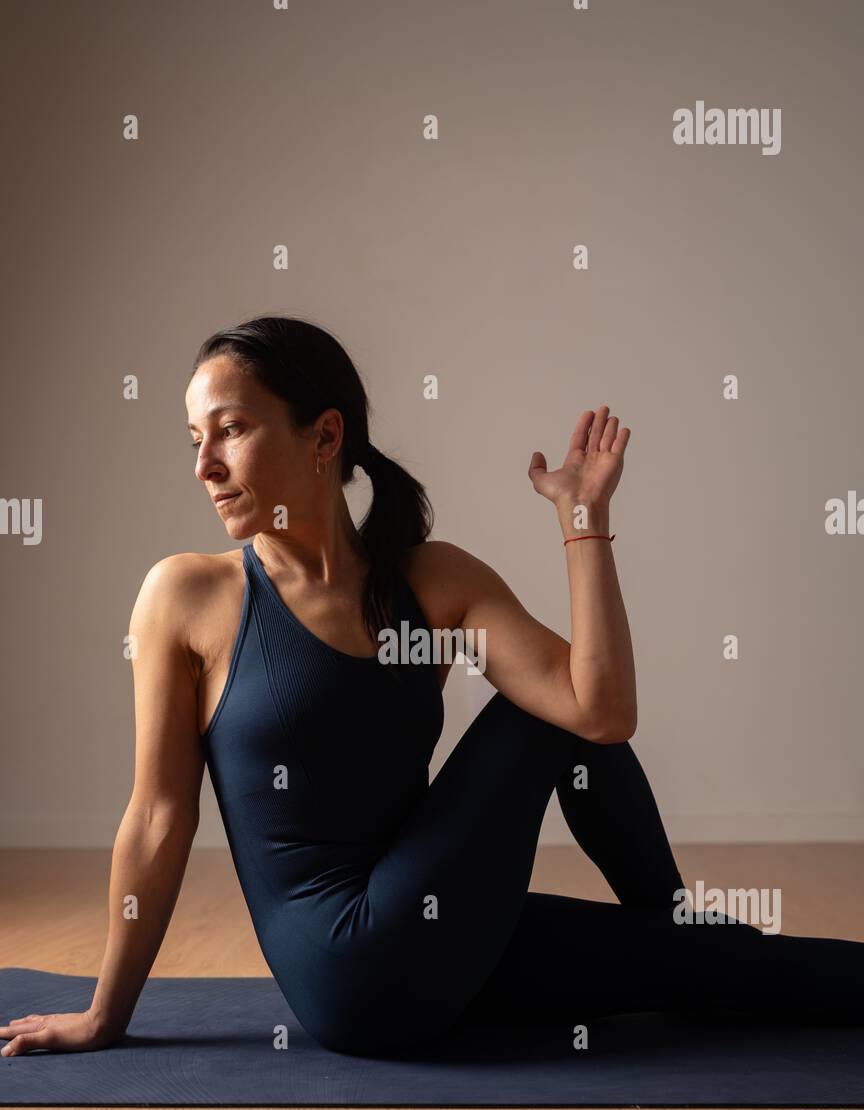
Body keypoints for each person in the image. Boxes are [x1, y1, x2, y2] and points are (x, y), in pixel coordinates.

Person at [3, 315, 863, 1061]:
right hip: (346, 969)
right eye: (194, 440)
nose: (205, 465)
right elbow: (159, 816)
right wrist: (103, 1015)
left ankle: (679, 938)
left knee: (731, 965)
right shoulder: (188, 596)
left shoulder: (431, 580)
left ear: (324, 436)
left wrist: (583, 522)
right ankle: (673, 924)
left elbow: (604, 713)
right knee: (537, 723)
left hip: (436, 929)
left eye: (228, 430)